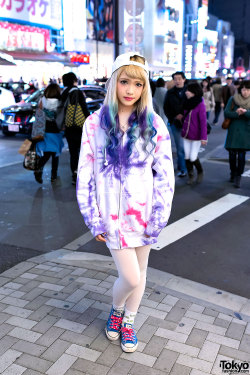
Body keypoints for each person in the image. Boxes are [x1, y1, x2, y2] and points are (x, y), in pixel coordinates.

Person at [76, 52, 175, 353]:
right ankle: (116, 309)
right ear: (113, 83)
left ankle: (128, 320)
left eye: (137, 84)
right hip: (111, 218)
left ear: (145, 88)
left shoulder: (153, 124)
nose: (130, 90)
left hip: (144, 215)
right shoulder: (94, 124)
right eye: (124, 82)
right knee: (130, 276)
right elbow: (84, 175)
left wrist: (159, 217)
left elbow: (166, 176)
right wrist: (93, 218)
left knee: (140, 274)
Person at [61, 72, 90, 185]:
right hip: (79, 126)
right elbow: (84, 108)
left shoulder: (64, 93)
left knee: (73, 152)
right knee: (82, 152)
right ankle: (81, 174)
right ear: (74, 80)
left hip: (69, 126)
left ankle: (74, 174)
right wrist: (90, 120)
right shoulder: (77, 92)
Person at [34, 83, 64, 184]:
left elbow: (38, 114)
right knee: (55, 153)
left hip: (45, 129)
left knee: (47, 151)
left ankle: (39, 168)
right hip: (57, 129)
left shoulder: (42, 100)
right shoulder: (60, 102)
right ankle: (53, 175)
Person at [224, 80, 250, 188]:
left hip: (246, 131)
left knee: (242, 156)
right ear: (240, 89)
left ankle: (238, 176)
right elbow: (226, 112)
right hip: (234, 130)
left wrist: (246, 112)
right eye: (244, 89)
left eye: (248, 90)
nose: (245, 92)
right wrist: (236, 113)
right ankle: (232, 172)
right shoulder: (233, 99)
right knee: (232, 155)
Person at [182, 82, 207, 185]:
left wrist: (204, 137)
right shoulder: (186, 102)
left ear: (194, 92)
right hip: (185, 134)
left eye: (188, 90)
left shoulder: (200, 105)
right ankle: (191, 175)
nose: (186, 92)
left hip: (196, 136)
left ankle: (200, 171)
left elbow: (203, 122)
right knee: (187, 157)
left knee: (193, 157)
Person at [164, 71, 187, 177]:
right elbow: (166, 108)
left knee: (188, 147)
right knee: (180, 147)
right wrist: (174, 116)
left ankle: (186, 166)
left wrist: (184, 115)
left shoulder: (189, 91)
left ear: (184, 79)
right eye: (175, 79)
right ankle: (183, 169)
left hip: (188, 123)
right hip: (175, 123)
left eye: (179, 78)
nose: (177, 81)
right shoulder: (170, 92)